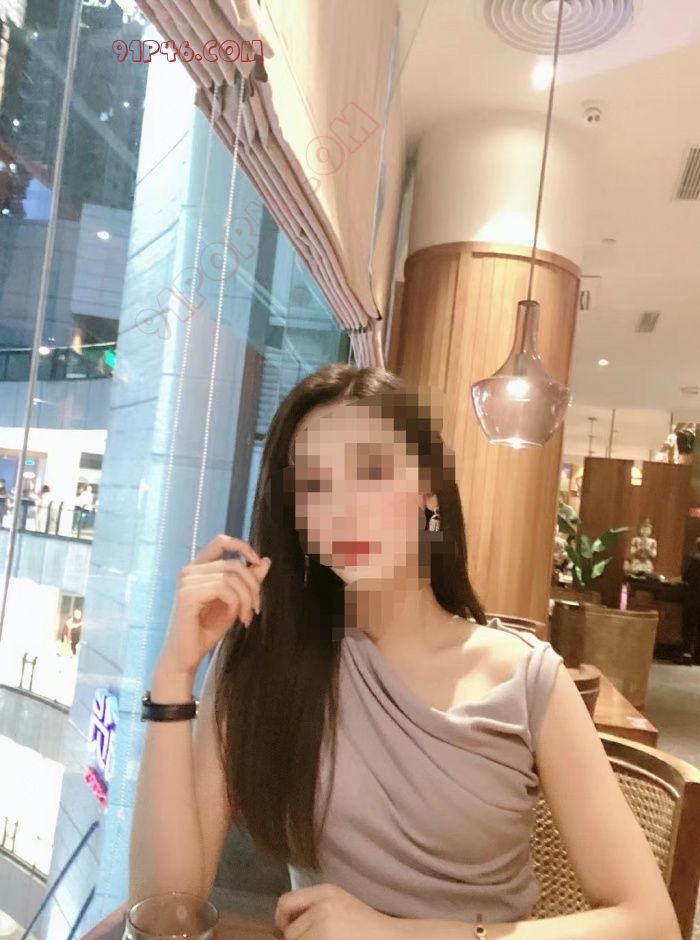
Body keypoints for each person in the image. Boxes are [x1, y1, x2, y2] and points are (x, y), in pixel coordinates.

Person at [129, 364, 681, 939]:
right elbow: (164, 907)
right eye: (314, 486)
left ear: (428, 493)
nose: (342, 508)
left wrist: (395, 935)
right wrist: (174, 675)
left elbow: (650, 924)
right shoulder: (266, 659)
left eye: (371, 471)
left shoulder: (524, 676)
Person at [679, 537, 700, 665]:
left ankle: (687, 653)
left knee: (689, 626)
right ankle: (698, 655)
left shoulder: (695, 560)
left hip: (693, 597)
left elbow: (686, 577)